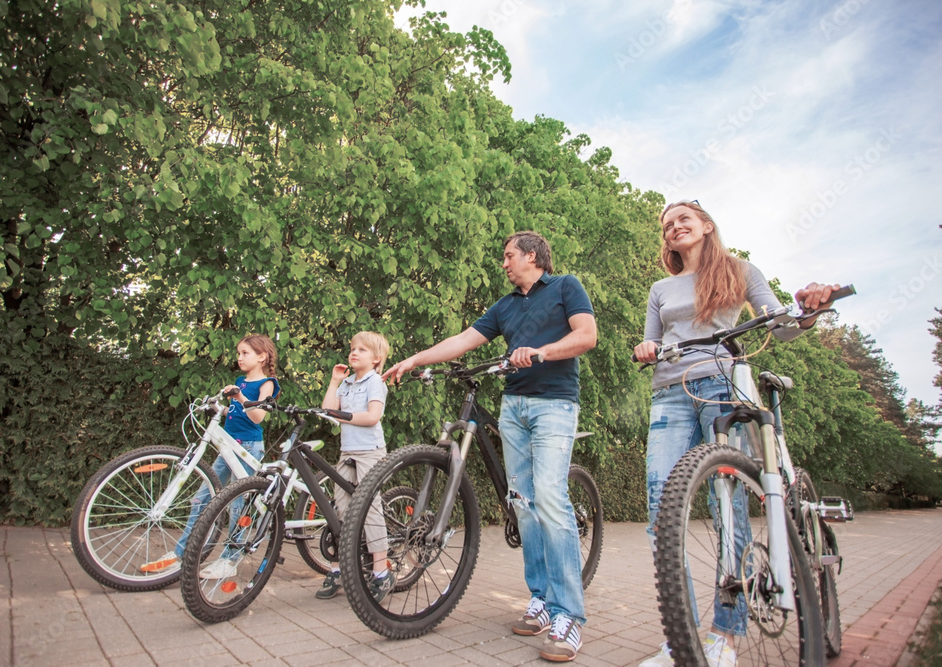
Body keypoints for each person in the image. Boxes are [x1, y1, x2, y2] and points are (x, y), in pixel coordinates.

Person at [633, 200, 839, 667]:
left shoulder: (739, 270)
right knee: (660, 507)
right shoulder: (660, 287)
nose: (674, 227)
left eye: (683, 218)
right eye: (667, 224)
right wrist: (647, 348)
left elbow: (780, 326)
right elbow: (653, 342)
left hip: (723, 385)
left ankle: (725, 635)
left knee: (727, 503)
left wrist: (807, 310)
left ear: (706, 225)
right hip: (670, 393)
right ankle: (677, 634)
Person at [384, 231, 597, 663]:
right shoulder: (504, 306)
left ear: (532, 256)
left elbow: (586, 336)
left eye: (508, 256)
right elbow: (463, 340)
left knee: (552, 500)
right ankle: (540, 600)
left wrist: (541, 352)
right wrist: (416, 359)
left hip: (554, 405)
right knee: (522, 503)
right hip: (515, 407)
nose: (503, 263)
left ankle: (569, 614)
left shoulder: (565, 286)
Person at [141, 334, 279, 577]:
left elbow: (257, 416)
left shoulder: (267, 383)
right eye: (238, 353)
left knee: (239, 504)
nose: (239, 357)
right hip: (229, 446)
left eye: (245, 353)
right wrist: (222, 408)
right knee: (202, 498)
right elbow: (237, 413)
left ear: (262, 356)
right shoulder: (240, 380)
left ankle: (229, 560)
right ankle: (182, 553)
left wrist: (238, 396)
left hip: (248, 448)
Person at [315, 331, 396, 602]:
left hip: (370, 452)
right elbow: (328, 410)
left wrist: (344, 416)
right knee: (341, 510)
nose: (353, 352)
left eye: (361, 349)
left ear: (376, 359)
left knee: (369, 509)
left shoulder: (375, 382)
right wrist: (334, 380)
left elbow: (373, 416)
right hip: (347, 451)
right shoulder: (347, 382)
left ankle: (381, 571)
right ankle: (340, 569)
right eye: (352, 348)